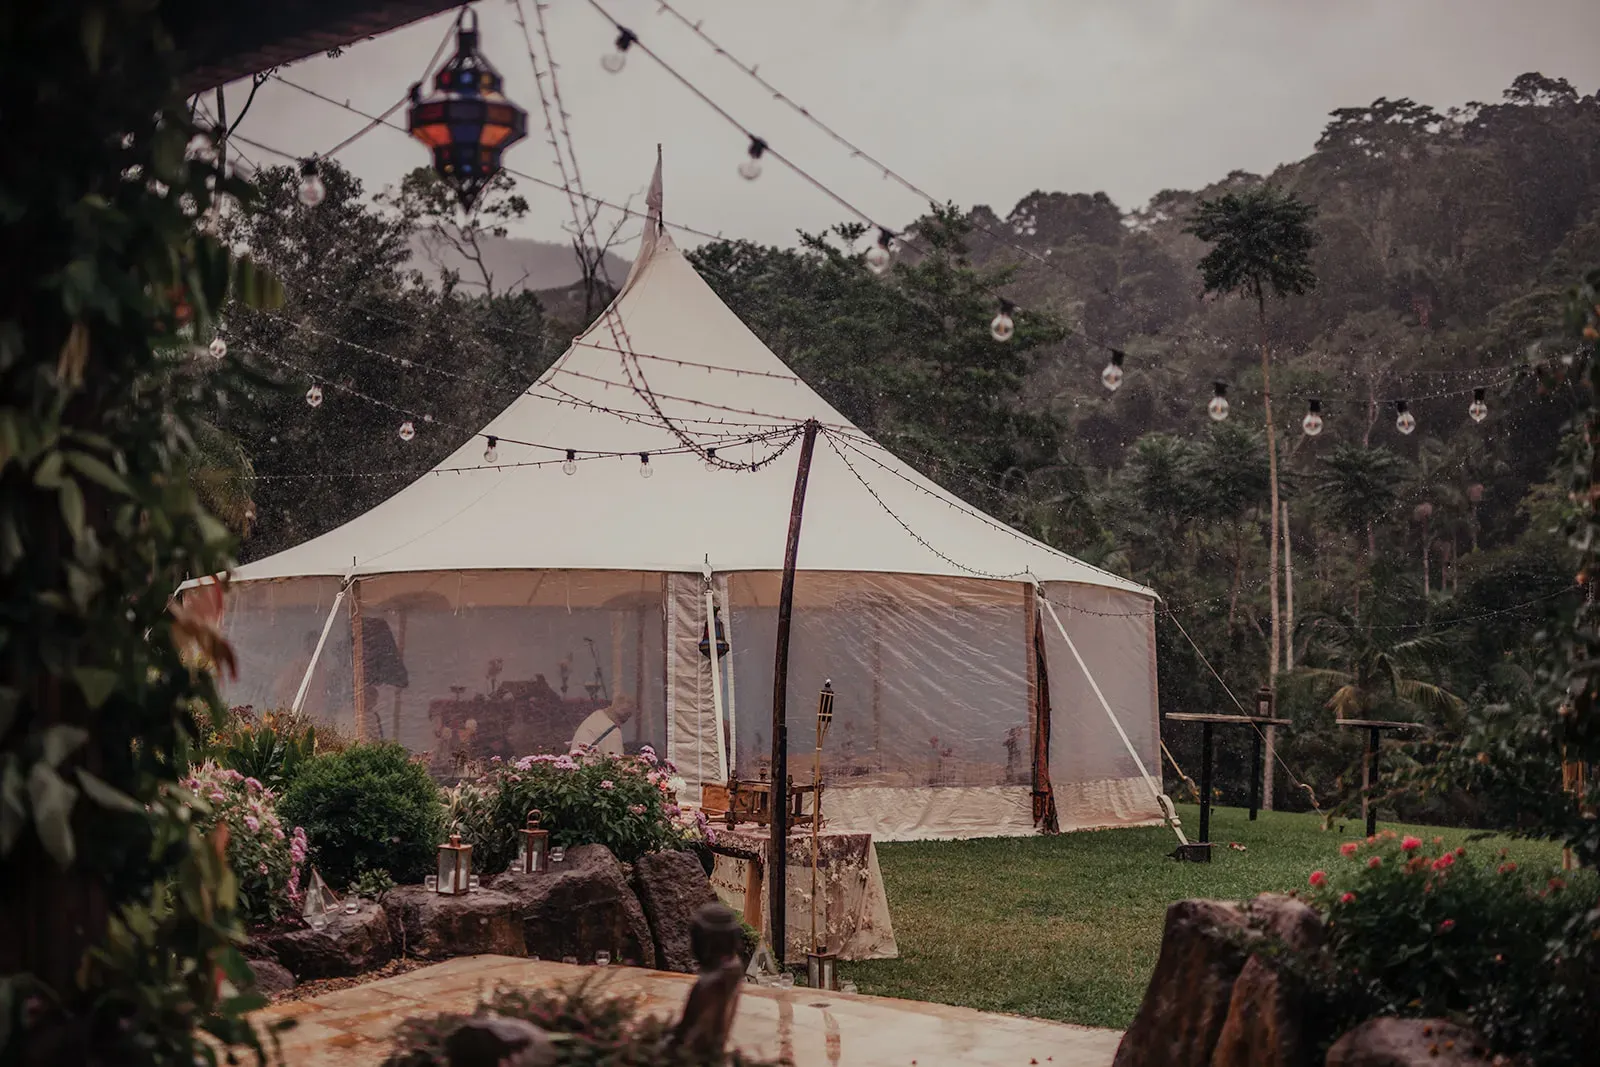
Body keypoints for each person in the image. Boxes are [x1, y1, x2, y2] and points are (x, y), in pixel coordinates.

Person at [569, 693, 635, 756]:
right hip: (590, 766)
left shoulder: (596, 716)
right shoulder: (612, 731)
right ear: (627, 715)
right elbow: (616, 763)